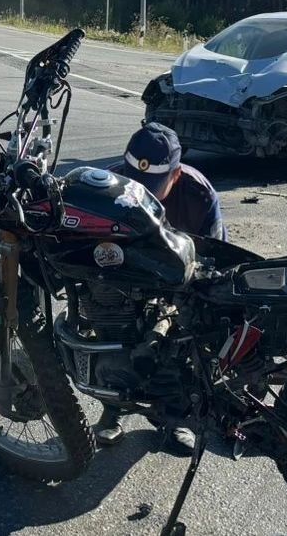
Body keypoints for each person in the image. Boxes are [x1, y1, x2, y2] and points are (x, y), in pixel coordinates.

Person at [97, 122, 226, 453]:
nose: (142, 195)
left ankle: (172, 418)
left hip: (177, 285)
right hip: (123, 280)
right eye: (135, 183)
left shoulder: (200, 196)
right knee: (108, 326)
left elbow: (216, 264)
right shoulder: (108, 186)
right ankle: (112, 406)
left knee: (182, 344)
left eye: (152, 187)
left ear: (176, 175)